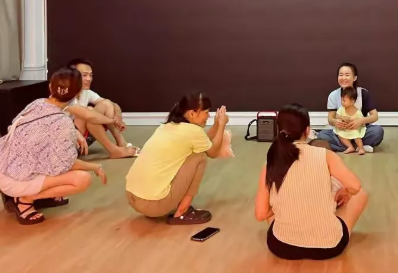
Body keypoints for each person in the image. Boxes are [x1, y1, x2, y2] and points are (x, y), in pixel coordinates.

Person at [255, 103, 369, 260]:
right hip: (328, 248)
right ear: (307, 130)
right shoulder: (325, 154)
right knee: (361, 194)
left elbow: (261, 214)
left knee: (270, 200)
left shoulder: (270, 162)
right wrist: (346, 192)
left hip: (282, 247)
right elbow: (355, 186)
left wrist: (285, 204)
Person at [0, 68, 107, 225]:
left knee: (51, 160)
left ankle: (37, 194)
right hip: (12, 181)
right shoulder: (63, 123)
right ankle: (24, 199)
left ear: (50, 87)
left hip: (4, 164)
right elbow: (67, 164)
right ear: (78, 93)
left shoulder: (37, 103)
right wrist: (95, 167)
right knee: (83, 179)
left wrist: (74, 132)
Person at [125, 93, 229, 225]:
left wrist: (216, 125)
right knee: (200, 157)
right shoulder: (193, 131)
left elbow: (203, 142)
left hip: (132, 197)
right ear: (192, 113)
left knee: (194, 153)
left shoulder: (168, 126)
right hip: (153, 205)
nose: (208, 116)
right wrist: (221, 125)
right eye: (206, 112)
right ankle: (182, 212)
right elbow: (212, 152)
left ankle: (175, 206)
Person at [66, 58, 137, 159]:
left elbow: (112, 104)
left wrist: (118, 116)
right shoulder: (64, 95)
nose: (89, 79)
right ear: (72, 76)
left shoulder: (86, 92)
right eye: (84, 75)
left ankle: (121, 142)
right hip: (69, 144)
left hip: (83, 139)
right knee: (89, 112)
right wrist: (112, 121)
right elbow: (87, 115)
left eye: (91, 75)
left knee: (106, 104)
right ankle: (113, 150)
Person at [315, 63, 384, 153]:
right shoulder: (333, 95)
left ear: (354, 78)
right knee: (321, 135)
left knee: (378, 131)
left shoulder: (363, 93)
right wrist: (336, 122)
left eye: (347, 75)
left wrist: (360, 121)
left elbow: (375, 116)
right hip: (342, 132)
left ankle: (347, 146)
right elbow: (330, 118)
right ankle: (359, 147)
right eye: (341, 75)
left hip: (359, 131)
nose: (343, 78)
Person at [334, 86, 367, 155]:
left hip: (354, 129)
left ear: (352, 102)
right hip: (344, 129)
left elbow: (363, 122)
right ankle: (350, 146)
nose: (342, 102)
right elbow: (336, 116)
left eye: (344, 100)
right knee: (340, 135)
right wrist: (342, 117)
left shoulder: (357, 112)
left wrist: (357, 122)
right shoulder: (341, 109)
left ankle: (361, 148)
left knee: (357, 135)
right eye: (341, 100)